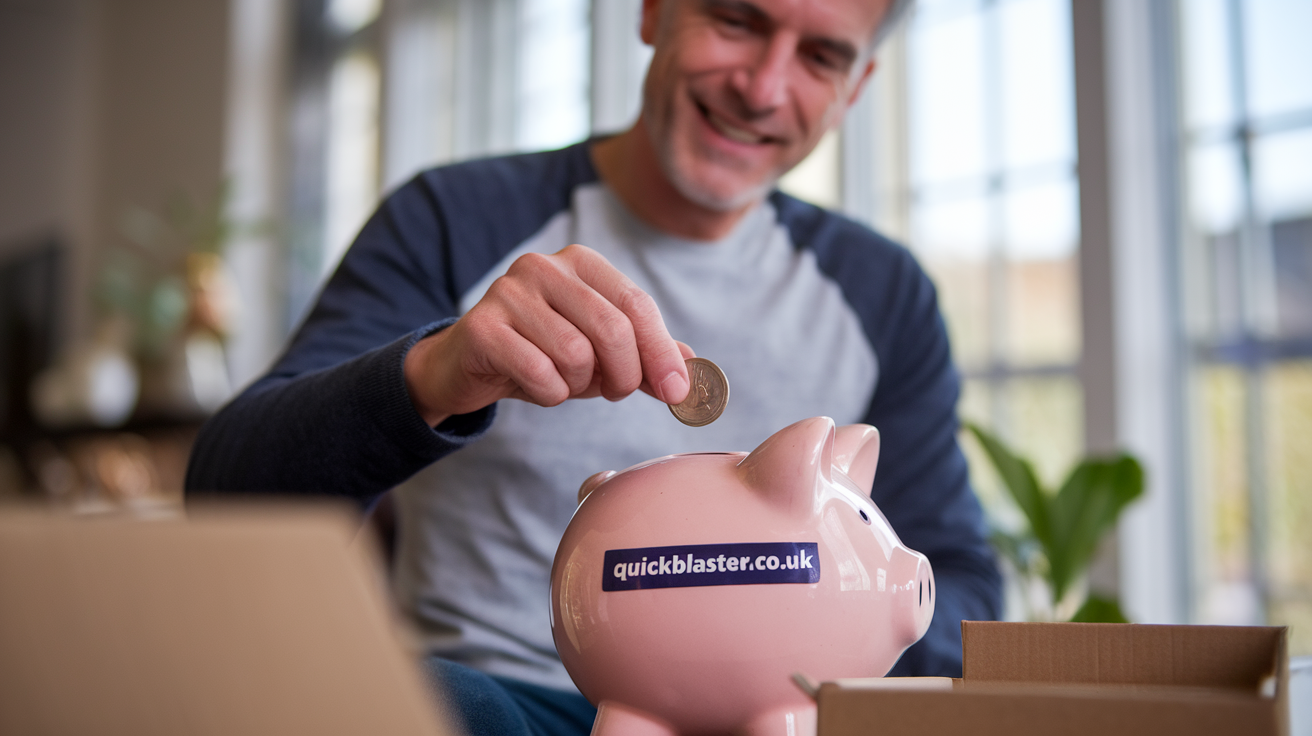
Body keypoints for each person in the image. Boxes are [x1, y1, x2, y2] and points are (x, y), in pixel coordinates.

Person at [186, 0, 1002, 733]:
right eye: (735, 20)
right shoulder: (454, 219)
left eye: (821, 56)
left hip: (785, 712)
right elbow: (226, 495)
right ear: (652, 12)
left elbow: (963, 586)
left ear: (856, 87)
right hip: (501, 705)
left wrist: (822, 616)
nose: (762, 87)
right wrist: (435, 373)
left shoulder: (883, 292)